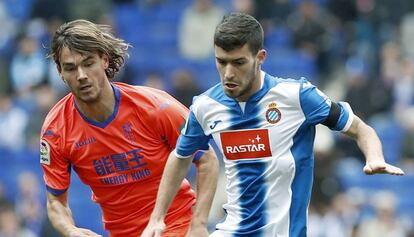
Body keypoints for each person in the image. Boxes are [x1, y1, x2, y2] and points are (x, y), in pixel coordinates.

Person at [142, 12, 405, 237]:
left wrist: (374, 156)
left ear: (261, 58)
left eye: (238, 62)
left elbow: (360, 128)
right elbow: (180, 156)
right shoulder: (205, 106)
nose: (228, 73)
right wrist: (157, 216)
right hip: (231, 229)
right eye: (221, 62)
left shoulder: (298, 96)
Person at [39, 19, 218, 237]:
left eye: (88, 63)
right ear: (60, 72)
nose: (81, 75)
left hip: (178, 226)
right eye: (71, 68)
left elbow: (207, 159)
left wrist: (198, 225)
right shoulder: (56, 130)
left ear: (104, 60)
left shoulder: (156, 107)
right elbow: (55, 202)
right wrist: (70, 230)